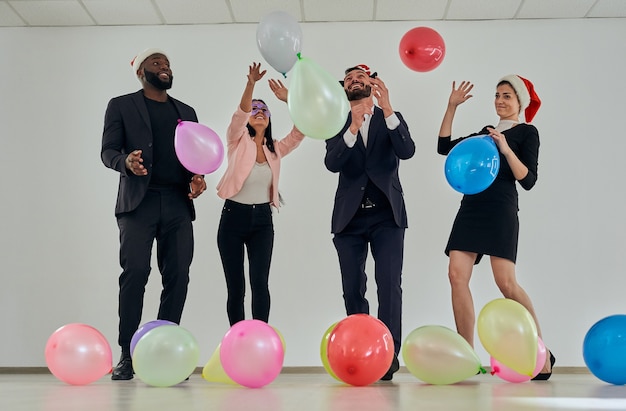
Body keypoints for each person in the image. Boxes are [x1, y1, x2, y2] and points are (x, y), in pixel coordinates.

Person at [437, 74, 555, 380]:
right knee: (455, 275)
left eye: (507, 96)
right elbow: (443, 147)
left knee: (507, 284)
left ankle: (541, 350)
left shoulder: (527, 132)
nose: (500, 101)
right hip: (472, 207)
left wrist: (505, 148)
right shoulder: (484, 133)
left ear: (519, 103)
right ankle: (466, 354)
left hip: (501, 209)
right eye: (497, 95)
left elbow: (527, 180)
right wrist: (452, 107)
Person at [101, 48, 206, 380]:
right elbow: (108, 150)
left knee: (178, 276)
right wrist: (125, 163)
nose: (164, 67)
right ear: (141, 71)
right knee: (135, 273)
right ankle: (128, 354)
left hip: (176, 201)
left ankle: (164, 348)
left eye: (167, 64)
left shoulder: (186, 111)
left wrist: (198, 178)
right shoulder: (121, 105)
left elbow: (195, 156)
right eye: (156, 63)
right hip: (138, 203)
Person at [325, 64, 415, 381]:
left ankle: (388, 355)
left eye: (360, 77)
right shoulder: (336, 123)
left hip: (386, 215)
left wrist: (387, 108)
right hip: (349, 218)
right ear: (343, 88)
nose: (354, 81)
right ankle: (362, 351)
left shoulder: (390, 118)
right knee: (353, 288)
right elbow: (332, 162)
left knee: (389, 285)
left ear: (373, 84)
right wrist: (351, 127)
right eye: (348, 79)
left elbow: (407, 149)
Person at [216, 62, 305, 326]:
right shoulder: (235, 140)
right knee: (236, 287)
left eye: (264, 110)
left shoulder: (275, 149)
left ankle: (260, 337)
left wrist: (290, 100)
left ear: (269, 119)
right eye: (255, 109)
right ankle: (238, 339)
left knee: (260, 283)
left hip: (262, 222)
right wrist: (251, 84)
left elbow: (300, 132)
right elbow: (240, 114)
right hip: (232, 219)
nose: (259, 112)